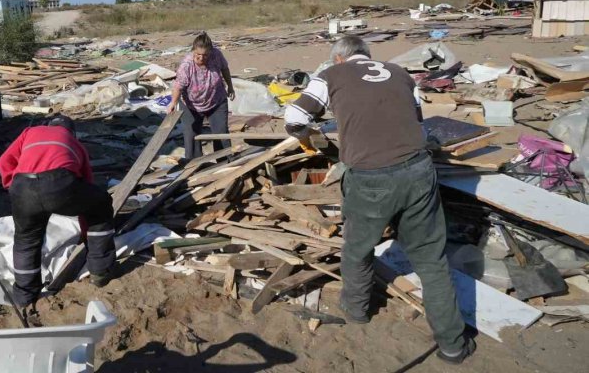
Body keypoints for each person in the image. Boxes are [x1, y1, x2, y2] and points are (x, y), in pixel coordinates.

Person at [283, 35, 474, 365]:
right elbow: (418, 124)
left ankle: (357, 311)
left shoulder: (330, 75)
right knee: (431, 260)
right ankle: (453, 345)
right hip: (418, 172)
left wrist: (309, 140)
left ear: (340, 59)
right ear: (367, 56)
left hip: (370, 178)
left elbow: (295, 118)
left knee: (358, 249)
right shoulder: (400, 72)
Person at [0, 115, 116, 314]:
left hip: (23, 186)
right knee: (100, 206)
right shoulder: (75, 144)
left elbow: (4, 162)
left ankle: (25, 295)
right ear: (71, 131)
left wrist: (14, 187)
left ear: (49, 125)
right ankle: (100, 271)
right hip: (59, 184)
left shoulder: (30, 132)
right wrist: (86, 232)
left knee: (26, 239)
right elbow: (86, 186)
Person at [167, 32, 236, 162]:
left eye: (205, 55)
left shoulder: (216, 55)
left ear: (210, 52)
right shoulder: (186, 66)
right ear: (193, 51)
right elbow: (178, 86)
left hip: (216, 101)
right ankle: (194, 165)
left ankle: (225, 162)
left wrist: (230, 86)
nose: (201, 58)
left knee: (221, 134)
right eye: (198, 55)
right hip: (191, 105)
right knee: (191, 136)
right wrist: (173, 103)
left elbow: (225, 69)